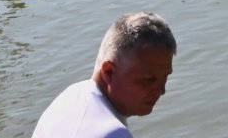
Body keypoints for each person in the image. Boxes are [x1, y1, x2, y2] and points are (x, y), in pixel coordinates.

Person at [33, 12, 175, 138]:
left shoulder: (71, 96)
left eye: (165, 77)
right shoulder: (111, 133)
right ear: (109, 71)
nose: (161, 91)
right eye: (149, 79)